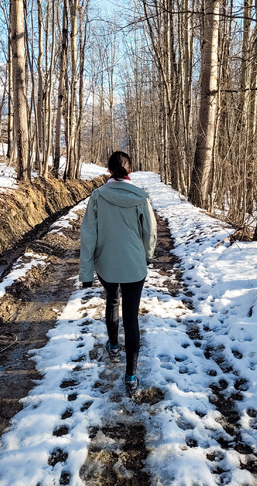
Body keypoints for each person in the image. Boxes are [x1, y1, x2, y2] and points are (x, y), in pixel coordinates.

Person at [79, 151, 157, 394]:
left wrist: (86, 273)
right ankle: (131, 375)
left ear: (109, 171)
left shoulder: (97, 196)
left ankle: (113, 346)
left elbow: (88, 234)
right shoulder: (141, 197)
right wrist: (147, 257)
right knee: (131, 317)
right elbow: (150, 233)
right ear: (129, 171)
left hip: (107, 265)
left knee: (112, 301)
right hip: (134, 266)